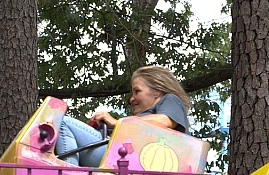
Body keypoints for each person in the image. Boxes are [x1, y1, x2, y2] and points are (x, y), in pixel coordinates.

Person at [56, 66, 190, 167]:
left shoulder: (170, 99)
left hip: (128, 160)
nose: (132, 99)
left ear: (156, 91)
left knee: (62, 122)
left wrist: (117, 123)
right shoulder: (142, 118)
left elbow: (164, 121)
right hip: (128, 158)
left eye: (137, 91)